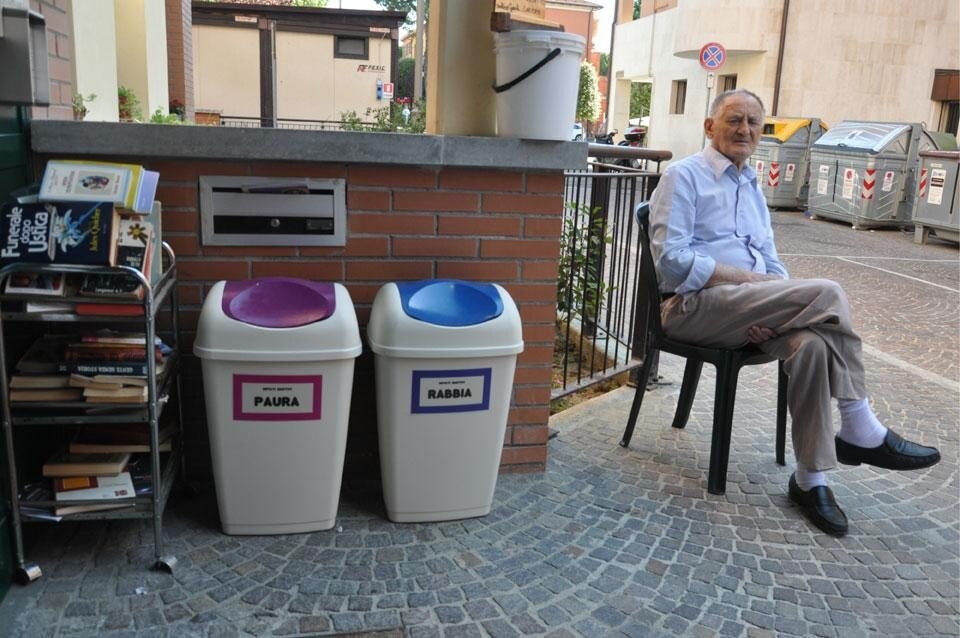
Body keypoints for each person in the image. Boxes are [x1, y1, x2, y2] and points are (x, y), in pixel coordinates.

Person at [647, 88, 940, 536]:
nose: (745, 129)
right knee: (829, 293)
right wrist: (755, 287)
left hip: (747, 307)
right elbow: (671, 260)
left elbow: (771, 259)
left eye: (754, 122)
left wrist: (774, 304)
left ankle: (809, 479)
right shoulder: (682, 177)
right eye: (734, 120)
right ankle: (859, 424)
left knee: (812, 346)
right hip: (692, 307)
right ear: (709, 126)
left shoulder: (750, 183)